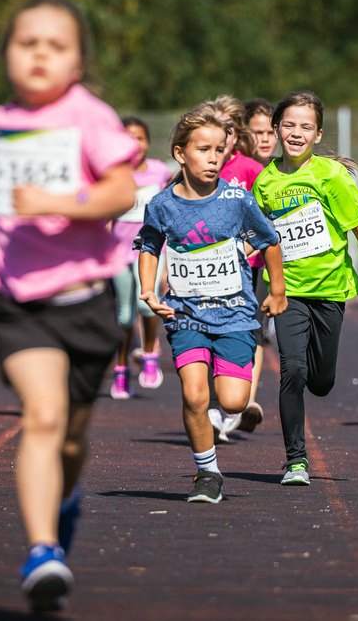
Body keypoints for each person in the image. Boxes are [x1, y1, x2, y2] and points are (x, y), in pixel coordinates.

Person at [0, 0, 138, 612]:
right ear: (6, 55)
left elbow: (120, 191)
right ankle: (42, 550)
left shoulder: (90, 116)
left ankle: (66, 499)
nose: (40, 56)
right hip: (16, 298)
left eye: (56, 46)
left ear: (77, 62)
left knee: (73, 437)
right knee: (44, 416)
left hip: (86, 298)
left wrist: (61, 205)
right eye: (27, 44)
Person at [136, 105, 287, 503]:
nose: (214, 157)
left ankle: (228, 396)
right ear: (181, 153)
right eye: (204, 149)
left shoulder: (237, 200)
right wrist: (149, 290)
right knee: (193, 396)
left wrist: (277, 291)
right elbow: (150, 246)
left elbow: (269, 241)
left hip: (236, 313)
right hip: (186, 314)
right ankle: (207, 473)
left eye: (220, 149)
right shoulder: (162, 205)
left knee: (234, 400)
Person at [252, 90, 358, 486]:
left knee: (322, 382)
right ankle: (296, 460)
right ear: (276, 129)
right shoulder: (266, 181)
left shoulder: (331, 176)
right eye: (289, 125)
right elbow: (262, 237)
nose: (296, 132)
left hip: (330, 291)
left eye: (305, 127)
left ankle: (315, 379)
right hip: (287, 291)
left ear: (317, 133)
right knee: (291, 369)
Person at [206, 95, 270, 439]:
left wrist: (247, 247)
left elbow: (266, 218)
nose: (223, 139)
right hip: (209, 268)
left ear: (235, 135)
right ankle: (214, 404)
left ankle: (242, 402)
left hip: (250, 265)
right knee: (209, 330)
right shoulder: (200, 167)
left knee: (250, 330)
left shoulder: (250, 169)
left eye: (228, 132)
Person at [108, 117, 172, 399]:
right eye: (129, 137)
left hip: (150, 251)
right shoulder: (112, 174)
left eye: (140, 138)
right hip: (118, 253)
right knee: (123, 316)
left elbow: (171, 206)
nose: (135, 144)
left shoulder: (159, 172)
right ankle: (121, 369)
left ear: (147, 142)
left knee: (146, 306)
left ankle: (149, 354)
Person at [244, 97, 278, 165]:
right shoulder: (235, 168)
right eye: (259, 132)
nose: (265, 139)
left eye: (271, 133)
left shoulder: (284, 168)